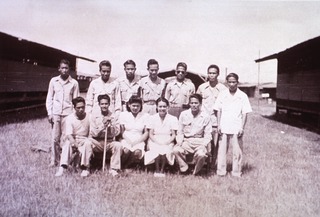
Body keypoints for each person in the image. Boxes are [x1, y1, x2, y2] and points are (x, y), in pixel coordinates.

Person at [213, 73, 252, 177]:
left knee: (237, 152)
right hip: (224, 125)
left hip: (236, 126)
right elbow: (218, 110)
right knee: (221, 151)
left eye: (234, 82)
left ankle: (236, 172)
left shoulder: (242, 96)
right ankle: (221, 172)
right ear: (226, 83)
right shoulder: (222, 94)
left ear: (237, 82)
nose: (231, 84)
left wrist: (242, 128)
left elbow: (245, 113)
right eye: (229, 82)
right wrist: (218, 125)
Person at [46, 59, 80, 167]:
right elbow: (49, 98)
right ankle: (54, 160)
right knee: (55, 138)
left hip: (68, 115)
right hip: (56, 114)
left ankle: (65, 161)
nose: (64, 70)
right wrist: (49, 113)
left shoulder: (74, 83)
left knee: (67, 138)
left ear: (69, 69)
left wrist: (74, 116)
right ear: (59, 69)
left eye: (66, 68)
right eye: (62, 68)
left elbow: (76, 100)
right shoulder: (53, 81)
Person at [196, 64, 227, 169]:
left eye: (214, 73)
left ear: (218, 74)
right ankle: (202, 164)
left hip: (215, 121)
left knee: (215, 145)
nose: (211, 75)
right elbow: (197, 103)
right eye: (209, 73)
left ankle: (212, 166)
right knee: (203, 143)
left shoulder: (223, 89)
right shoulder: (202, 87)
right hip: (203, 121)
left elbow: (225, 106)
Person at [173, 94, 212, 175]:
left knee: (201, 154)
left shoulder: (205, 116)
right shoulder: (184, 114)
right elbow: (180, 131)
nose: (194, 105)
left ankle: (196, 171)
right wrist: (179, 142)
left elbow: (208, 134)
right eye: (192, 103)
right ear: (189, 104)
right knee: (176, 150)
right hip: (187, 141)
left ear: (200, 104)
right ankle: (184, 168)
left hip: (199, 141)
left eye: (196, 103)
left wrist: (204, 145)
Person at [55, 97, 92, 177]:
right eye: (78, 108)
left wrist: (86, 141)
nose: (81, 109)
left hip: (85, 139)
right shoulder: (70, 118)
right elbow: (69, 135)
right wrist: (76, 145)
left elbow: (91, 133)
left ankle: (85, 168)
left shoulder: (89, 116)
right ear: (74, 108)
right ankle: (62, 167)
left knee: (88, 143)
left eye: (83, 107)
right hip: (73, 139)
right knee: (67, 143)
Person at [145, 97, 179, 177]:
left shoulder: (173, 118)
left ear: (168, 107)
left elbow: (174, 134)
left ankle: (162, 169)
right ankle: (157, 169)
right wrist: (157, 142)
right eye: (160, 106)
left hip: (168, 139)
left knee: (165, 149)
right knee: (156, 148)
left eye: (164, 106)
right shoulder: (152, 118)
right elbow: (150, 134)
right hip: (155, 139)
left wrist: (167, 142)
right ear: (157, 107)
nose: (162, 108)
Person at [89, 94, 122, 177]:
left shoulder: (114, 116)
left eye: (106, 104)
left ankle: (114, 169)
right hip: (97, 141)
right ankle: (85, 168)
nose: (104, 106)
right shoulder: (94, 116)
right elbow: (93, 133)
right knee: (87, 143)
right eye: (102, 104)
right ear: (99, 104)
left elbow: (117, 132)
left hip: (109, 141)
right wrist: (102, 126)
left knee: (118, 145)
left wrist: (111, 126)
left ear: (109, 104)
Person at [119, 96, 149, 170]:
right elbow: (122, 132)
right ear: (129, 105)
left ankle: (130, 166)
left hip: (139, 138)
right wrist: (128, 140)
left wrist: (137, 141)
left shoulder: (145, 116)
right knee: (126, 151)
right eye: (133, 105)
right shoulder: (123, 115)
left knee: (137, 152)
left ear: (141, 106)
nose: (135, 108)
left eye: (137, 106)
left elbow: (146, 133)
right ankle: (122, 166)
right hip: (126, 137)